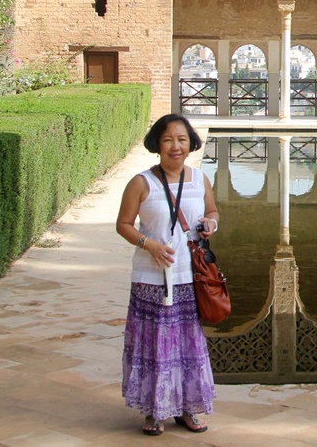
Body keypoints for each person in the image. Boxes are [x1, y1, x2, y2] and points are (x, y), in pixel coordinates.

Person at [116, 114, 219, 436]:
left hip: (190, 276)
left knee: (187, 345)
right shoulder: (141, 182)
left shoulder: (199, 179)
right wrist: (149, 245)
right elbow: (123, 225)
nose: (176, 146)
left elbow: (212, 211)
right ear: (157, 145)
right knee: (154, 345)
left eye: (182, 140)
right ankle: (155, 411)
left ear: (191, 144)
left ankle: (187, 409)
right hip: (152, 278)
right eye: (168, 140)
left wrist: (211, 224)